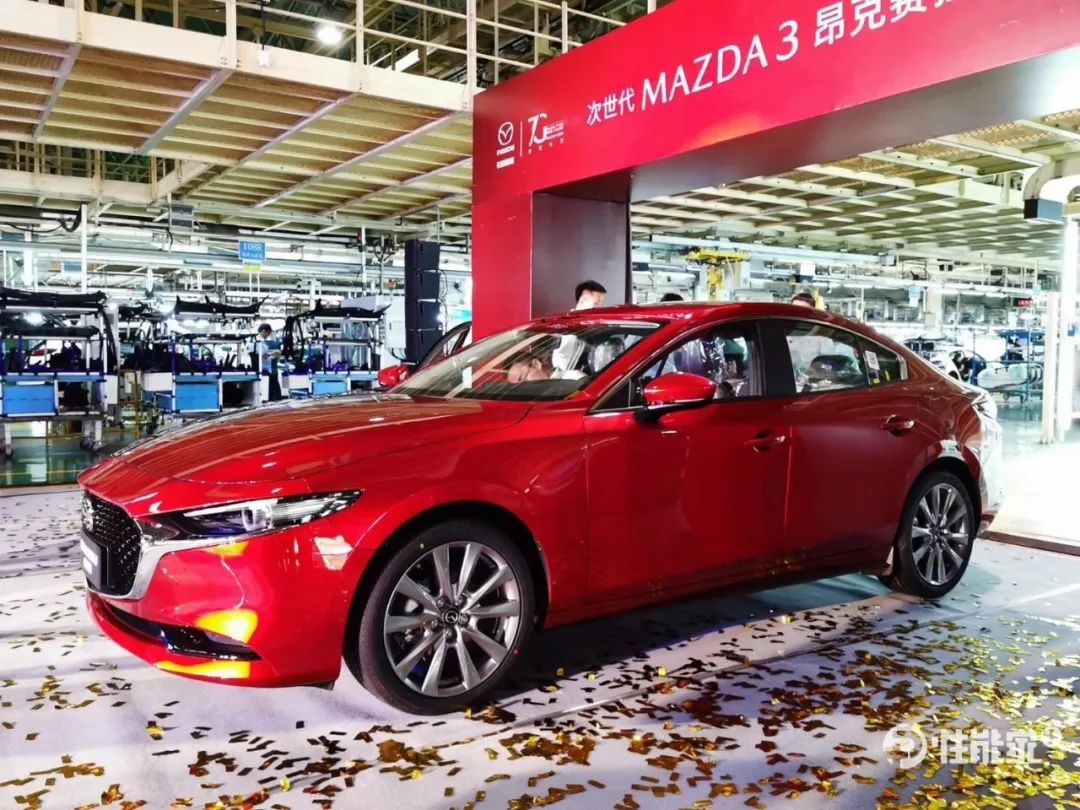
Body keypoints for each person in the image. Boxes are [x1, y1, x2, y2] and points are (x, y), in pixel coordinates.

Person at [256, 323, 283, 402]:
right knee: (273, 389)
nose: (269, 335)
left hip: (267, 368)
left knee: (273, 388)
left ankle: (274, 400)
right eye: (268, 333)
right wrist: (274, 353)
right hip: (265, 369)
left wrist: (273, 355)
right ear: (264, 331)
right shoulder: (258, 342)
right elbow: (261, 355)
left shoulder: (262, 341)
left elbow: (265, 354)